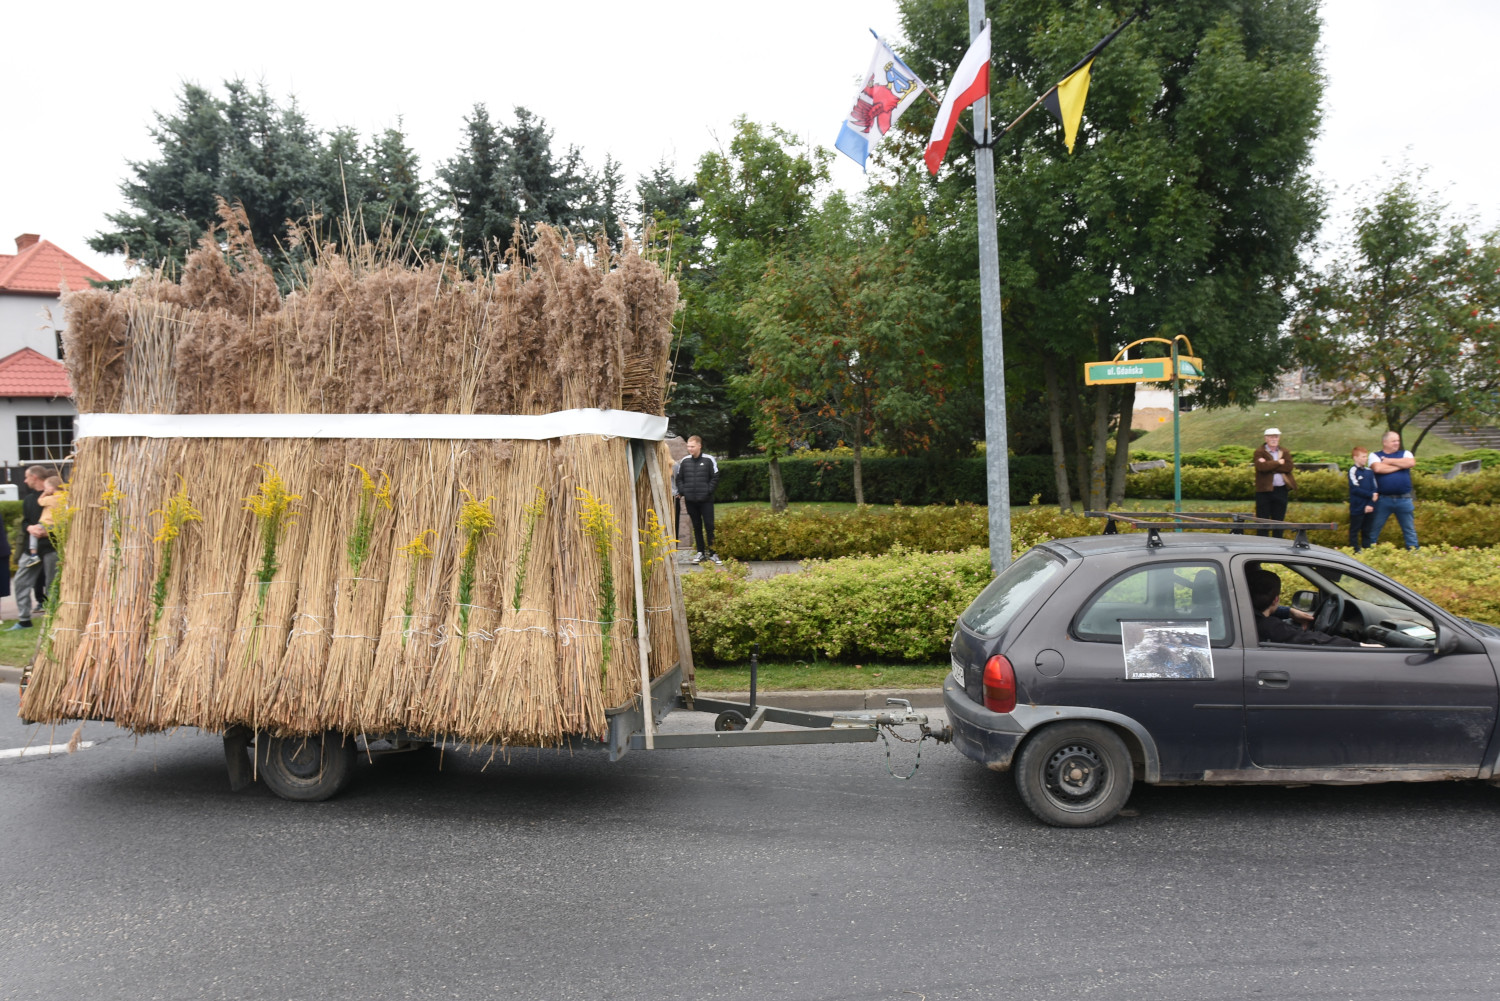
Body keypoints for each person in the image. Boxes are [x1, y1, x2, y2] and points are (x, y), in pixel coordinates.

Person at [1247, 567, 1356, 646]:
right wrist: (1357, 645)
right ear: (1276, 599)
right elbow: (1309, 638)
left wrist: (1289, 612)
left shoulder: (1245, 617)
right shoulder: (1269, 626)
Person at [12, 464, 60, 630]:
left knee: (53, 583)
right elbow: (26, 521)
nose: (24, 481)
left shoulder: (58, 497)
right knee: (21, 581)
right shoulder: (29, 499)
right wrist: (30, 528)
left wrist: (49, 532)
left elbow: (66, 520)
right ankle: (24, 619)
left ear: (34, 477)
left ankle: (54, 619)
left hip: (52, 547)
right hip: (31, 549)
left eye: (26, 477)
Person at [672, 435, 721, 565]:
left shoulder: (709, 460)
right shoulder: (685, 461)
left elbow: (715, 477)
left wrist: (708, 490)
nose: (690, 449)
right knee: (696, 526)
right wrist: (684, 491)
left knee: (709, 525)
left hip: (706, 500)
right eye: (688, 446)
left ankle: (713, 553)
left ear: (699, 446)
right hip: (691, 500)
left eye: (692, 446)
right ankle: (700, 552)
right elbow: (679, 478)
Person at [1365, 430, 1418, 549]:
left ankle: (1414, 552)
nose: (1397, 443)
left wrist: (1389, 461)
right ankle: (1369, 552)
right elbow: (1378, 469)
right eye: (1393, 441)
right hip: (1383, 500)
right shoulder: (1375, 455)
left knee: (1409, 530)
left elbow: (1411, 463)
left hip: (1404, 499)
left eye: (1398, 440)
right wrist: (1400, 466)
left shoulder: (1406, 453)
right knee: (1373, 529)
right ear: (1385, 442)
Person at [1252, 427, 1296, 538]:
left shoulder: (1284, 451)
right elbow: (1261, 467)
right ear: (1266, 438)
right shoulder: (1259, 452)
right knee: (1262, 520)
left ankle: (1278, 542)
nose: (1274, 439)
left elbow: (1289, 467)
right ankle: (1262, 542)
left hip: (1281, 490)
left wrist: (1269, 465)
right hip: (1264, 490)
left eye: (1276, 436)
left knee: (1279, 519)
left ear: (1279, 438)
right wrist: (1278, 463)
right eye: (1271, 437)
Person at [1346, 446, 1378, 552]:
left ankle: (1367, 551)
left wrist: (1370, 504)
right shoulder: (1353, 470)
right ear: (1355, 458)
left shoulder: (1369, 472)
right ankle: (1354, 551)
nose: (1365, 459)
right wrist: (1370, 495)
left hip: (1369, 507)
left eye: (1366, 456)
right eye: (1363, 457)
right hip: (1357, 507)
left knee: (1367, 531)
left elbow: (1375, 489)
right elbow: (1355, 489)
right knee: (1354, 531)